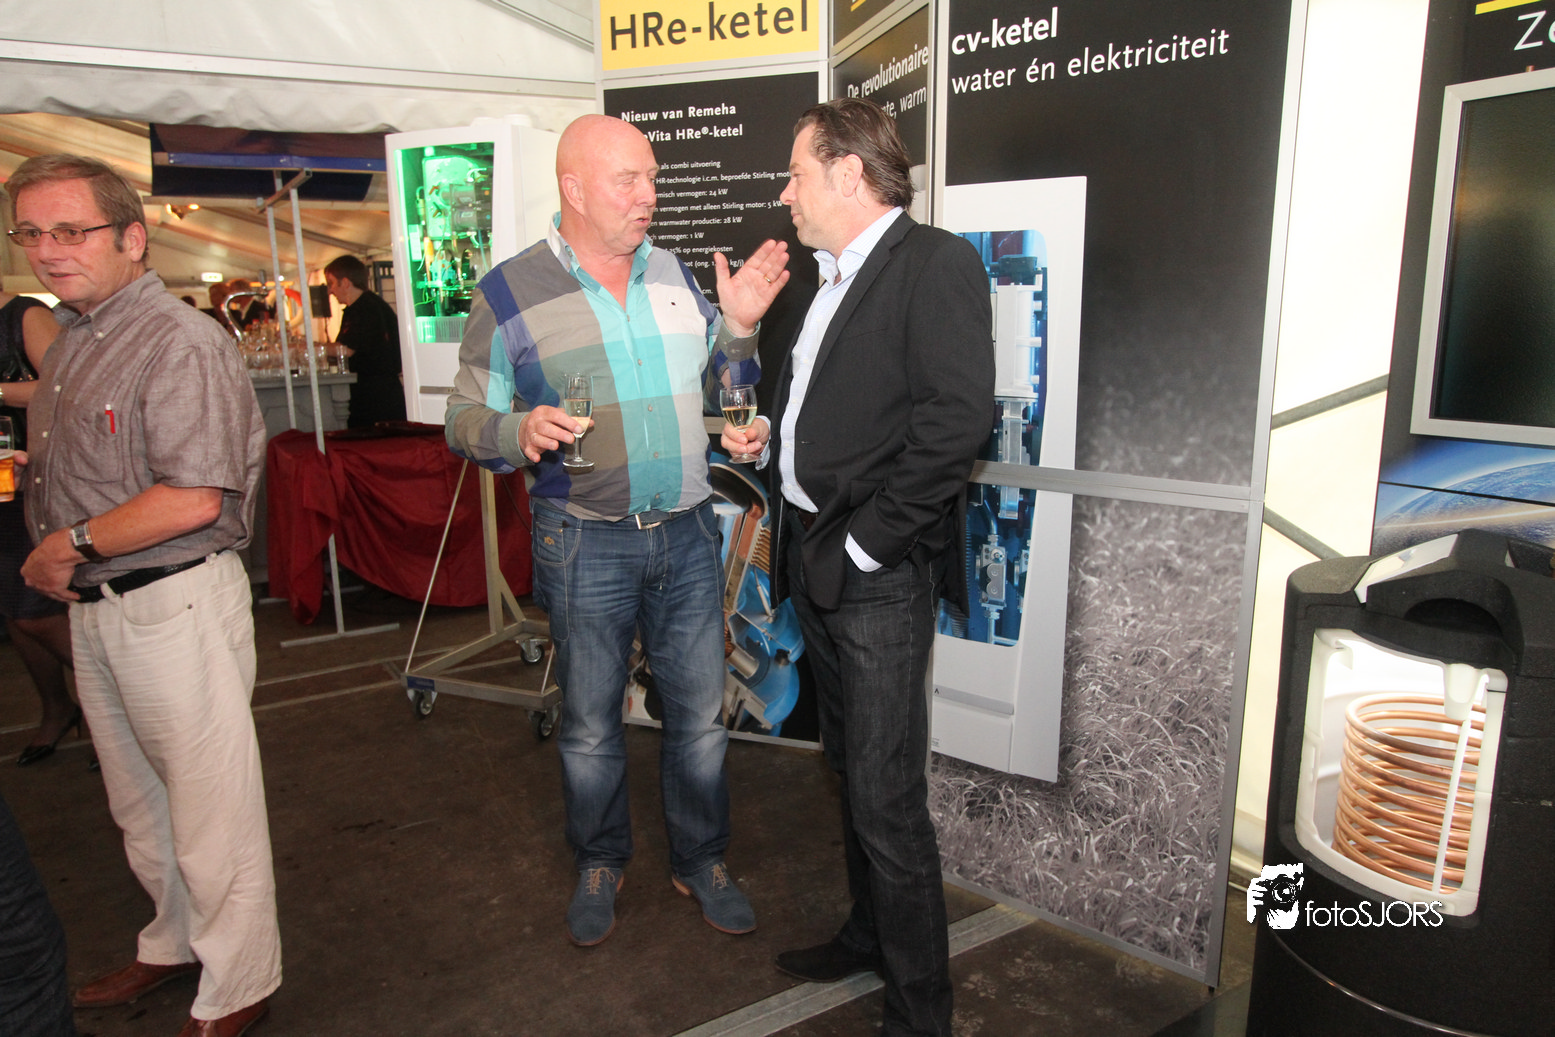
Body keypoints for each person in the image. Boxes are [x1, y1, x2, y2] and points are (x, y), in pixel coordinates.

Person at [445, 114, 790, 947]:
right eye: (628, 179)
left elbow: (723, 379)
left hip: (686, 533)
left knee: (699, 718)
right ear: (573, 187)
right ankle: (599, 858)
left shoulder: (670, 271)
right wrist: (517, 430)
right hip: (583, 538)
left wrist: (739, 330)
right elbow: (461, 417)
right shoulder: (508, 291)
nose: (649, 195)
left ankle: (699, 858)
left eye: (653, 177)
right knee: (592, 722)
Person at [720, 98, 994, 1037]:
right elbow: (833, 416)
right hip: (815, 562)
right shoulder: (825, 279)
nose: (784, 192)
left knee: (886, 797)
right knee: (849, 770)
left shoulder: (934, 263)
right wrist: (769, 441)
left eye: (796, 173)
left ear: (847, 173)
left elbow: (953, 426)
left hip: (871, 574)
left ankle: (921, 1012)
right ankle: (869, 934)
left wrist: (866, 546)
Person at [9, 153, 278, 1037]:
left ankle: (239, 982)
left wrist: (69, 543)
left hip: (174, 601)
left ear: (132, 237)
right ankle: (172, 943)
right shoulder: (75, 338)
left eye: (70, 230)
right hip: (100, 605)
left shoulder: (178, 339)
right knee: (139, 803)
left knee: (209, 809)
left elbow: (195, 496)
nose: (48, 250)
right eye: (31, 232)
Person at [0, 289, 78, 767]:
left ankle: (109, 705)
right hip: (4, 481)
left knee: (35, 611)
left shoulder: (23, 314)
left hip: (36, 474)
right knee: (15, 610)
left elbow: (70, 384)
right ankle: (57, 709)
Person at [323, 254, 407, 428]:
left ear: (345, 282)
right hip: (373, 396)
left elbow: (346, 349)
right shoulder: (361, 307)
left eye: (331, 283)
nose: (330, 291)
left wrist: (312, 349)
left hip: (377, 400)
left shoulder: (366, 308)